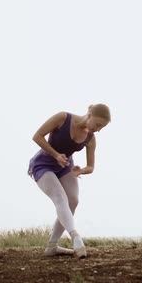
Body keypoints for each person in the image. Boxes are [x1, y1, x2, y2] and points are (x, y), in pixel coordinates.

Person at [28, 104, 111, 259]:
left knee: (73, 200)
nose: (98, 129)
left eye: (102, 128)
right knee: (59, 196)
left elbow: (91, 166)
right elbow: (37, 136)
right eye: (98, 124)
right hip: (43, 164)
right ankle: (75, 237)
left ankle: (52, 246)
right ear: (90, 113)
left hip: (66, 167)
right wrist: (56, 155)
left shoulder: (91, 139)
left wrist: (81, 171)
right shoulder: (63, 118)